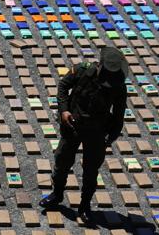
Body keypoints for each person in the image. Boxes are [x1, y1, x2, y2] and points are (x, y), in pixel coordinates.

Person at [40, 46, 129, 225]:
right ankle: (57, 194)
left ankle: (84, 206)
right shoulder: (83, 70)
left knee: (91, 171)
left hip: (97, 131)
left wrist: (109, 139)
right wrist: (64, 111)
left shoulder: (119, 86)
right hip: (73, 125)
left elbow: (119, 116)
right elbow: (63, 86)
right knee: (62, 161)